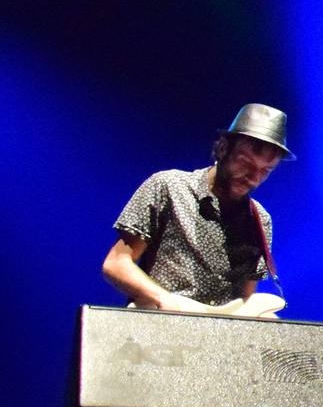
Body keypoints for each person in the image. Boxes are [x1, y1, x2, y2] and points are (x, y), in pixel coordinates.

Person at [101, 103, 293, 314]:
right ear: (223, 149)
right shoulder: (168, 187)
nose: (254, 178)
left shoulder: (259, 219)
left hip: (217, 340)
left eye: (265, 170)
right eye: (245, 163)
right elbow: (117, 263)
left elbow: (246, 301)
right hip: (159, 326)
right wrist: (162, 299)